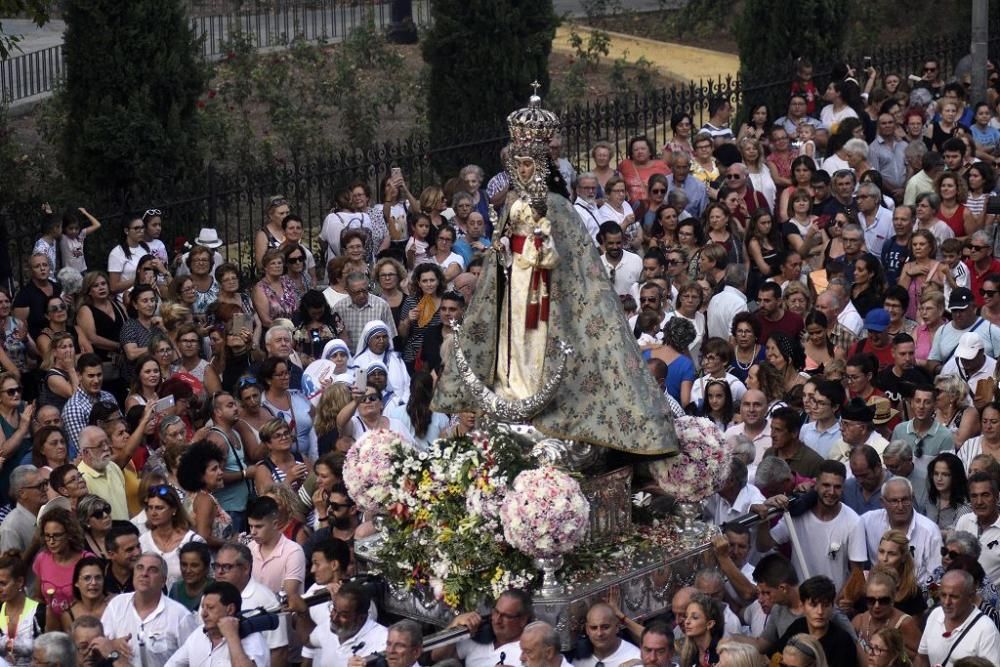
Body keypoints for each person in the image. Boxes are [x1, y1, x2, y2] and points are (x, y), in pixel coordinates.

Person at [433, 93, 678, 455]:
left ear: (542, 165)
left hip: (552, 300)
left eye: (529, 164)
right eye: (517, 164)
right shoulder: (512, 207)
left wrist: (535, 245)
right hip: (513, 297)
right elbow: (500, 255)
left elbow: (573, 265)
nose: (523, 172)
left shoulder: (560, 208)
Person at [753, 460, 867, 591]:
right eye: (826, 485)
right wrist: (764, 516)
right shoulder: (796, 515)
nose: (831, 492)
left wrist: (836, 605)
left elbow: (857, 573)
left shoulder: (854, 522)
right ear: (816, 484)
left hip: (832, 605)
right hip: (800, 602)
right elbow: (763, 546)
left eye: (837, 487)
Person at [101, 553, 195, 667]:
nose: (144, 574)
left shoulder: (180, 616)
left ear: (163, 580)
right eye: (140, 568)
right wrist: (112, 644)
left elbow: (195, 660)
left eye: (152, 570)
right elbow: (101, 646)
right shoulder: (116, 605)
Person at [205, 543, 287, 667]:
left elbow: (278, 651)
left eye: (226, 567)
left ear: (246, 568)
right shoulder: (210, 596)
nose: (219, 572)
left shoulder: (265, 599)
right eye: (216, 566)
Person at [164, 580, 268, 667]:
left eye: (210, 608)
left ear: (230, 609)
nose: (204, 614)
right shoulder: (198, 634)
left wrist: (232, 636)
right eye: (203, 607)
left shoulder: (252, 638)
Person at [862, 478, 942, 584]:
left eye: (905, 500)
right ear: (882, 502)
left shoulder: (930, 531)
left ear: (912, 498)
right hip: (878, 592)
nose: (900, 507)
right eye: (894, 501)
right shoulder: (868, 521)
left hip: (917, 594)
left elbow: (936, 575)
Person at [917, 570, 1000, 666]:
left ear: (970, 597)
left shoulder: (987, 630)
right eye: (943, 595)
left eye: (954, 597)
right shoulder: (935, 614)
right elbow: (922, 658)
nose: (947, 602)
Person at [138, 485, 204, 590]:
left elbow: (207, 578)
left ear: (174, 510)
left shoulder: (193, 541)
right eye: (150, 508)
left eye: (159, 508)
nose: (153, 513)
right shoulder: (142, 542)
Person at [850, 569, 920, 660]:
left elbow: (921, 658)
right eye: (871, 600)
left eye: (883, 601)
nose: (876, 606)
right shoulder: (859, 621)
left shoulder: (905, 623)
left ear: (893, 599)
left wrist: (895, 649)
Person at [176, 441, 233, 549]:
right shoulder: (205, 500)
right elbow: (203, 538)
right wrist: (232, 543)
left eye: (220, 468)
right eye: (214, 469)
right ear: (200, 475)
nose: (220, 472)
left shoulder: (194, 495)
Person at [954, 472, 1000, 583]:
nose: (979, 502)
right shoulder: (964, 521)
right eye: (974, 496)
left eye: (985, 495)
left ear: (997, 497)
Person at [0, 466, 46, 553]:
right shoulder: (10, 528)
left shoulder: (49, 511)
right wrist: (33, 546)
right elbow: (11, 566)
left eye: (45, 483)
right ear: (22, 493)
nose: (45, 489)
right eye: (39, 486)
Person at [60, 556, 110, 632]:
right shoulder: (69, 615)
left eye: (98, 577)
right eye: (87, 578)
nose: (93, 583)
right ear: (76, 582)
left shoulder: (114, 606)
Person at [677, 594, 723, 667]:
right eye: (686, 616)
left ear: (709, 624)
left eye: (694, 617)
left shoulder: (722, 652)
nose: (687, 622)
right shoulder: (687, 652)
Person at [168, 541, 212, 612]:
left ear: (206, 567)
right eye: (184, 565)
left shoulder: (214, 590)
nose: (188, 570)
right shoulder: (175, 589)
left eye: (194, 565)